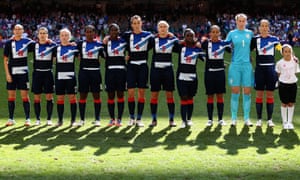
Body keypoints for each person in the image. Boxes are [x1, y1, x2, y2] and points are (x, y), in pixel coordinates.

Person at [124, 15, 153, 127]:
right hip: (131, 66)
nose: (136, 25)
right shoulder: (127, 35)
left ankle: (139, 118)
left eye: (138, 23)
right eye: (134, 23)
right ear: (131, 25)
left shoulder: (148, 36)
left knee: (141, 92)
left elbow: (158, 39)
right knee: (131, 92)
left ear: (141, 23)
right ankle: (131, 117)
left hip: (143, 66)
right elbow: (117, 42)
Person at [225, 13, 254, 127]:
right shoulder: (232, 34)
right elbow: (224, 46)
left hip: (247, 66)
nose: (241, 23)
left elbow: (256, 45)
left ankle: (247, 118)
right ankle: (234, 118)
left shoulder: (250, 33)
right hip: (235, 66)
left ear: (246, 22)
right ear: (236, 22)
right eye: (240, 21)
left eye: (243, 21)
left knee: (247, 92)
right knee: (235, 91)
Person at [251, 19, 280, 128]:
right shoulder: (255, 39)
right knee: (259, 95)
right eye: (262, 26)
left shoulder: (274, 39)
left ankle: (269, 120)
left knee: (270, 95)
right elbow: (247, 50)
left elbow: (281, 49)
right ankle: (259, 119)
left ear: (268, 28)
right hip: (259, 70)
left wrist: (292, 57)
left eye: (266, 26)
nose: (264, 28)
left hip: (270, 70)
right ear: (259, 28)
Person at [148, 20, 177, 127]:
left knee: (169, 95)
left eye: (164, 26)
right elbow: (143, 49)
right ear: (157, 29)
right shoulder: (153, 39)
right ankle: (154, 120)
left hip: (168, 70)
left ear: (168, 28)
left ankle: (171, 120)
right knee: (154, 94)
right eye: (160, 26)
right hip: (155, 71)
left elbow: (182, 48)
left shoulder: (172, 40)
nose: (163, 28)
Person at [4, 24, 34, 126]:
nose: (17, 31)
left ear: (23, 31)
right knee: (11, 96)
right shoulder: (9, 43)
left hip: (23, 73)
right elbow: (5, 59)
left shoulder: (28, 42)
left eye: (19, 29)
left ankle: (28, 119)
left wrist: (49, 41)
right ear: (13, 31)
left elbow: (40, 44)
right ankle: (11, 119)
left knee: (24, 95)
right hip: (12, 73)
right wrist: (7, 74)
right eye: (16, 29)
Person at [174, 28, 204, 128]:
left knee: (190, 97)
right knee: (183, 97)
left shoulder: (197, 48)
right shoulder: (180, 46)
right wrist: (178, 41)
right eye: (188, 35)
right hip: (181, 77)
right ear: (184, 37)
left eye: (192, 35)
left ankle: (189, 119)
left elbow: (204, 58)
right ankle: (183, 120)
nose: (190, 37)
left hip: (192, 77)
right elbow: (171, 43)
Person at [201, 25, 231, 127]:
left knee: (220, 96)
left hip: (220, 73)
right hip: (209, 73)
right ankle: (210, 119)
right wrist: (204, 59)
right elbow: (196, 49)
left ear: (219, 34)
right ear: (210, 33)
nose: (214, 34)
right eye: (213, 32)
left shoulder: (224, 44)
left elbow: (233, 51)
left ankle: (220, 119)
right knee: (210, 96)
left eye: (216, 32)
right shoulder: (206, 43)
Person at [30, 27, 57, 126]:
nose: (42, 35)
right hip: (37, 73)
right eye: (40, 33)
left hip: (48, 73)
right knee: (37, 97)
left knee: (49, 96)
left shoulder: (52, 45)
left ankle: (49, 119)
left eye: (44, 33)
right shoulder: (34, 45)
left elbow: (61, 46)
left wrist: (52, 42)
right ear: (38, 35)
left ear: (47, 35)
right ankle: (38, 119)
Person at [77, 25, 103, 127]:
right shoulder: (80, 44)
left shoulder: (99, 45)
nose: (89, 33)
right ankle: (82, 119)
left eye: (91, 31)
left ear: (94, 33)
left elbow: (105, 55)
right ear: (85, 33)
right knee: (83, 95)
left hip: (95, 72)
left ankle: (97, 119)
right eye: (87, 32)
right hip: (83, 72)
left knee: (96, 95)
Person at [103, 23, 127, 127]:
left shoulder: (124, 42)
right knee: (111, 95)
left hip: (121, 72)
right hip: (110, 72)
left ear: (119, 31)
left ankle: (119, 119)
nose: (114, 32)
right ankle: (112, 119)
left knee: (120, 95)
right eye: (112, 30)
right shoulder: (105, 43)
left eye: (116, 30)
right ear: (109, 32)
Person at [54, 28, 78, 126]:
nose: (64, 37)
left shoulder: (74, 48)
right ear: (60, 37)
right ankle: (60, 120)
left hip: (71, 76)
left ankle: (73, 121)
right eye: (62, 35)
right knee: (60, 98)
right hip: (59, 76)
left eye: (66, 35)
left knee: (72, 97)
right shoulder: (55, 48)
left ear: (70, 37)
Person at [275, 44, 299, 130]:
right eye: (285, 51)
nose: (288, 53)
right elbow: (278, 73)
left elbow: (296, 72)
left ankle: (290, 122)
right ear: (282, 53)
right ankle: (285, 122)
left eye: (289, 51)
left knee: (291, 103)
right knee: (284, 103)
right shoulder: (279, 63)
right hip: (283, 85)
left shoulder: (295, 62)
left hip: (293, 84)